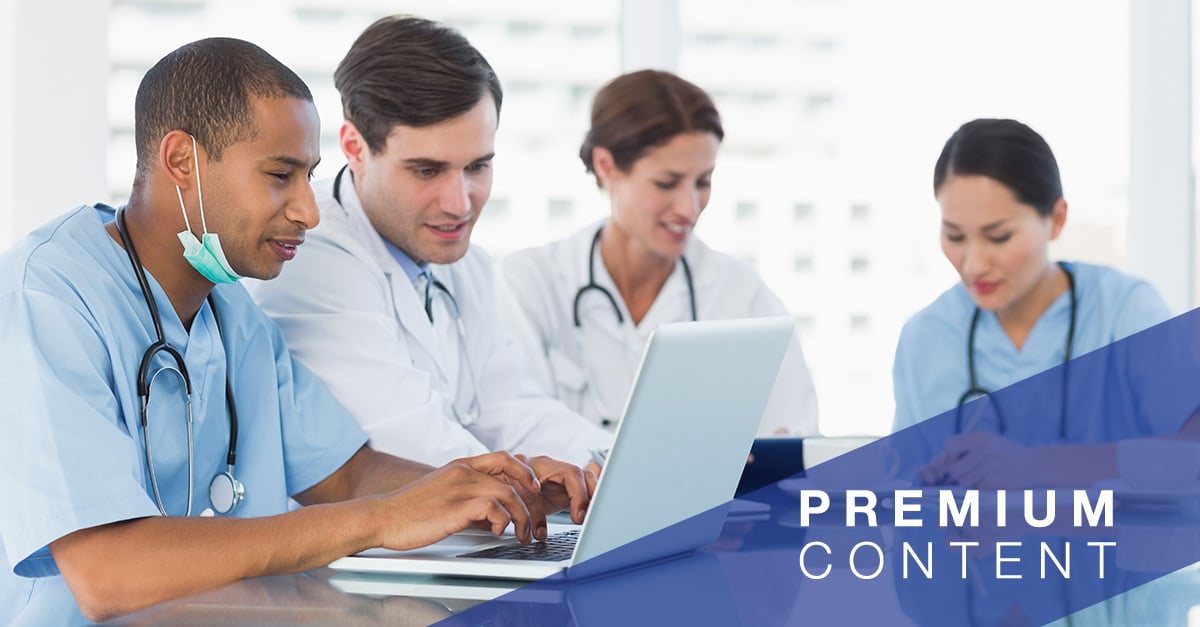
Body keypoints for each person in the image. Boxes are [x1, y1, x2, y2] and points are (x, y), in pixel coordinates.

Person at [0, 38, 593, 623]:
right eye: (281, 175)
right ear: (181, 161)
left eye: (309, 176)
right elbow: (107, 572)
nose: (308, 211)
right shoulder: (46, 298)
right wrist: (381, 519)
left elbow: (347, 473)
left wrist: (493, 488)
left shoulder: (233, 313)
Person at [247, 16, 612, 468]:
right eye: (427, 170)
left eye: (477, 167)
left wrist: (616, 461)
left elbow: (512, 411)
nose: (459, 204)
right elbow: (412, 446)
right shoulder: (308, 257)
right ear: (355, 148)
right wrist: (543, 483)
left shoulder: (466, 263)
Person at [497, 69, 819, 437]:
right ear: (606, 166)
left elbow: (795, 435)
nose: (689, 207)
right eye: (667, 183)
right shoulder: (530, 283)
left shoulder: (741, 296)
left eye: (703, 181)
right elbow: (515, 429)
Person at [891, 118, 1198, 488]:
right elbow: (905, 487)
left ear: (1056, 219)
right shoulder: (926, 338)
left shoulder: (1125, 311)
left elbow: (1192, 452)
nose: (973, 265)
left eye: (999, 236)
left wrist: (1040, 465)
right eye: (955, 236)